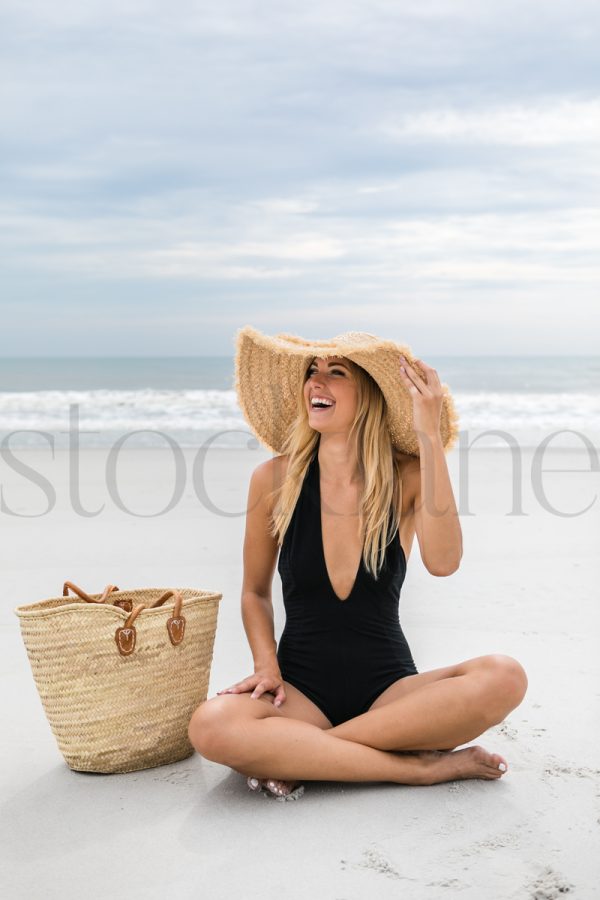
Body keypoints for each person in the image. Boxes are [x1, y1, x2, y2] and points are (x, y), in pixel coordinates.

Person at [188, 326, 528, 799]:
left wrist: (429, 436)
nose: (316, 382)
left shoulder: (407, 475)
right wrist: (266, 666)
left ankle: (312, 755)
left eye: (336, 372)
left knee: (504, 676)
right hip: (300, 692)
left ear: (367, 393)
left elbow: (444, 562)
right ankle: (422, 769)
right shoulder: (273, 479)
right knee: (210, 725)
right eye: (312, 371)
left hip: (390, 695)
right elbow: (255, 592)